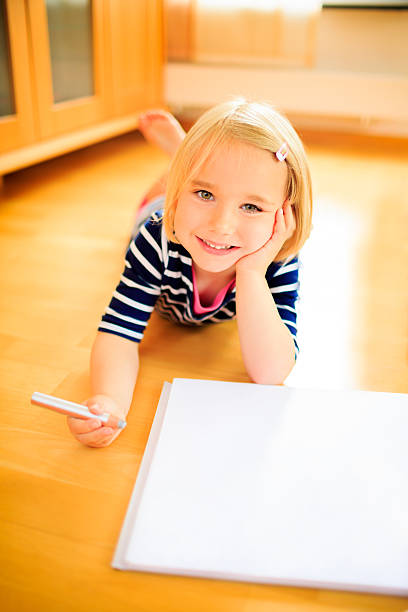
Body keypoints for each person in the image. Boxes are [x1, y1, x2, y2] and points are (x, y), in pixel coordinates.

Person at [68, 98, 313, 447]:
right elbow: (119, 333)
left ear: (285, 217)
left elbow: (270, 372)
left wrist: (252, 273)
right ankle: (181, 164)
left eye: (251, 206)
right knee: (161, 200)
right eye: (205, 193)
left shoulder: (277, 256)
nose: (222, 226)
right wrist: (109, 401)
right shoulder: (157, 241)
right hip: (159, 212)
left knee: (213, 178)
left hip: (189, 209)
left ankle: (188, 161)